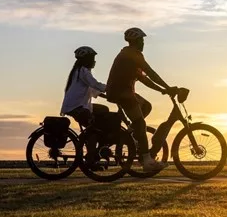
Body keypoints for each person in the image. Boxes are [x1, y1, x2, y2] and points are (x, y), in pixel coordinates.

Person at [105, 27, 177, 172]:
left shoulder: (128, 55)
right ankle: (147, 160)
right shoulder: (132, 54)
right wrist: (168, 88)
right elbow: (151, 73)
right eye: (141, 40)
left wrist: (163, 90)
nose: (143, 43)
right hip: (123, 93)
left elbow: (144, 79)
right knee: (140, 123)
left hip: (123, 92)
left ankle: (133, 132)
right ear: (135, 41)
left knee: (146, 107)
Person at [60, 46, 108, 128]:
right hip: (76, 107)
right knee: (93, 129)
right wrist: (111, 88)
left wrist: (108, 96)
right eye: (92, 58)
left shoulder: (79, 72)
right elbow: (95, 84)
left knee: (103, 110)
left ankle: (94, 136)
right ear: (86, 59)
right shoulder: (83, 71)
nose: (94, 61)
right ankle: (89, 138)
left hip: (78, 105)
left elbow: (93, 90)